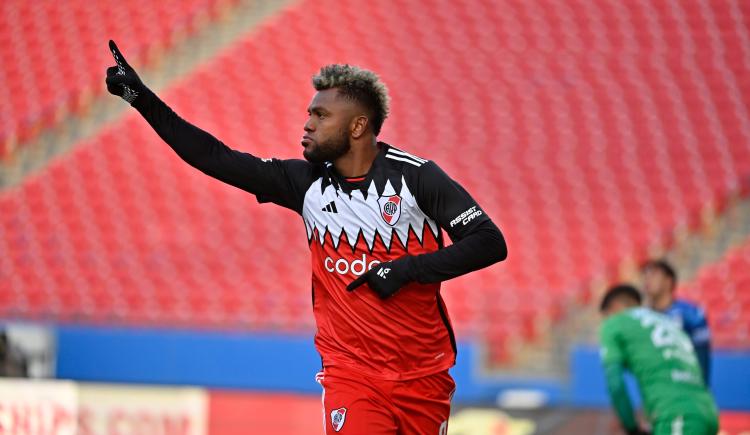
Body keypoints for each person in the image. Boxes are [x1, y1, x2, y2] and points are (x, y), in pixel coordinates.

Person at [104, 41, 507, 434]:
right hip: (351, 372)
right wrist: (141, 98)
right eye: (309, 113)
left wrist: (406, 270)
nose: (307, 124)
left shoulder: (417, 178)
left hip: (424, 373)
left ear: (357, 125)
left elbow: (489, 241)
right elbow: (214, 157)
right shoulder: (304, 184)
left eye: (320, 115)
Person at [599, 284, 718, 435]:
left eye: (605, 316)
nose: (604, 322)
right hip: (707, 412)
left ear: (614, 308)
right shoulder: (667, 322)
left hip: (676, 414)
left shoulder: (615, 323)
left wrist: (631, 426)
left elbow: (615, 384)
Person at [642, 260, 712, 385]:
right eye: (646, 275)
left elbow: (702, 354)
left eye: (654, 275)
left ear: (668, 281)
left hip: (685, 386)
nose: (648, 279)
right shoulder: (641, 317)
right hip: (655, 389)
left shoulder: (690, 313)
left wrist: (702, 388)